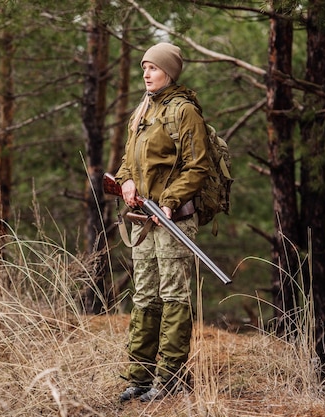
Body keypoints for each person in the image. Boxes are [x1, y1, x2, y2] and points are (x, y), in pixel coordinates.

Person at [114, 42, 211, 402]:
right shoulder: (141, 112)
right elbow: (129, 162)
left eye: (152, 68)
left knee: (173, 297)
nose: (145, 73)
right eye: (143, 67)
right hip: (144, 221)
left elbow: (197, 166)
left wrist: (169, 201)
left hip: (174, 221)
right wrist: (125, 181)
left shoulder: (184, 112)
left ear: (168, 71)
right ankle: (139, 376)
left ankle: (169, 378)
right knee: (144, 297)